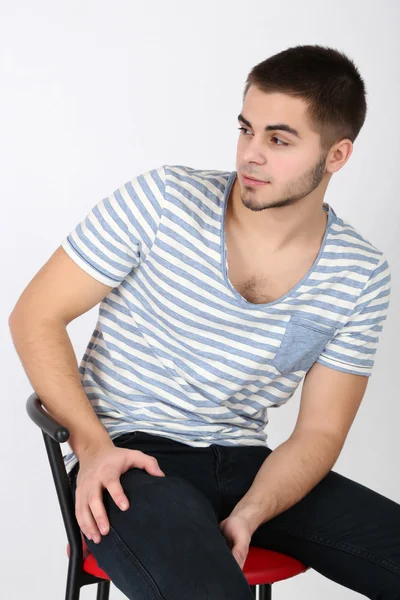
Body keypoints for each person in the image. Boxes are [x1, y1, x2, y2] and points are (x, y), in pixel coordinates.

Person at [9, 44, 399, 599]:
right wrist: (93, 447)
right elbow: (35, 315)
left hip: (248, 468)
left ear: (336, 156)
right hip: (131, 457)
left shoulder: (359, 273)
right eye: (247, 130)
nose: (250, 155)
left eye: (279, 139)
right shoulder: (164, 199)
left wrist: (252, 512)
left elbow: (320, 432)